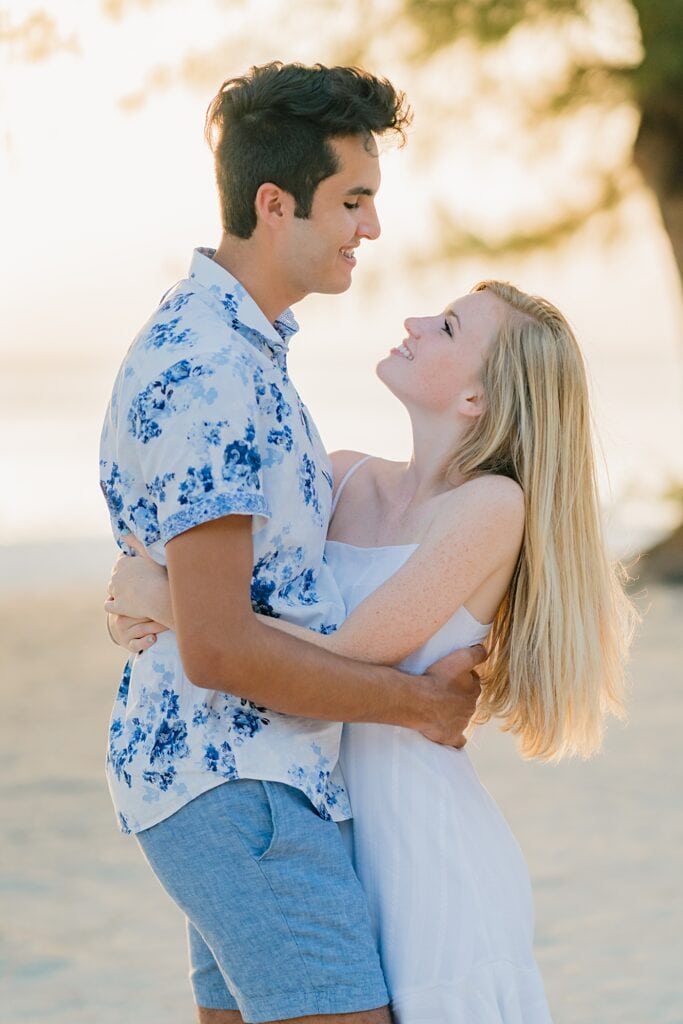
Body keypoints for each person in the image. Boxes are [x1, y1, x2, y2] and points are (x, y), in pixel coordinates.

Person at [108, 280, 635, 1022]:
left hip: (420, 845)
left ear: (476, 400)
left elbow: (340, 655)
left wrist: (165, 602)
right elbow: (215, 581)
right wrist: (135, 602)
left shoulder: (489, 506)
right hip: (302, 816)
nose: (415, 322)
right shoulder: (341, 475)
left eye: (448, 328)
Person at [99, 61, 486, 1024]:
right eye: (352, 199)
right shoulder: (213, 371)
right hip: (240, 784)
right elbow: (223, 647)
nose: (372, 227)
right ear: (275, 204)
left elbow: (236, 599)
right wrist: (419, 708)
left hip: (241, 783)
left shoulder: (236, 349)